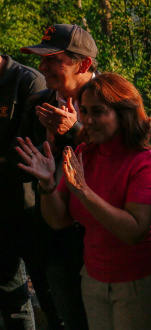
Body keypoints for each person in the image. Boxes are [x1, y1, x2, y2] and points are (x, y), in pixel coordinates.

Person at [15, 73, 151, 330]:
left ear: (123, 113)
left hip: (141, 281)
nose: (87, 120)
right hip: (94, 279)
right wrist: (47, 185)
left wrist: (83, 190)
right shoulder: (84, 153)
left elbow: (133, 231)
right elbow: (58, 220)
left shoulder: (144, 161)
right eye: (85, 110)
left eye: (98, 112)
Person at [7, 23, 99, 329]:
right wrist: (53, 142)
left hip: (101, 239)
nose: (41, 67)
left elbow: (128, 156)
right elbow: (22, 160)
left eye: (52, 60)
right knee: (61, 317)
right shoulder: (39, 103)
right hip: (51, 238)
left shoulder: (114, 100)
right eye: (40, 59)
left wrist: (74, 131)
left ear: (83, 64)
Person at [0, 54, 45, 329]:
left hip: (32, 210)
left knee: (48, 293)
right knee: (10, 297)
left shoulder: (28, 82)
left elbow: (35, 151)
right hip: (2, 211)